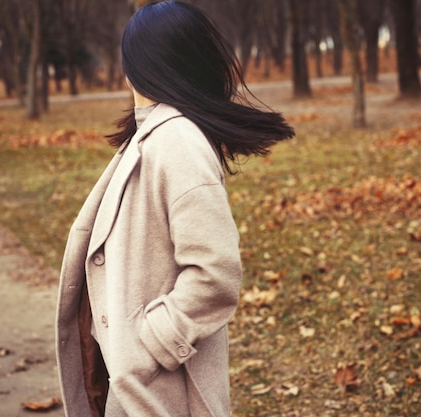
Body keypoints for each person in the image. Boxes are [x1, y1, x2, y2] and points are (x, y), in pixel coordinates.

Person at [55, 1, 294, 416]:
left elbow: (214, 274)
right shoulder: (155, 134)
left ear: (136, 65)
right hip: (142, 385)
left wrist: (144, 347)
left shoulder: (177, 140)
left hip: (160, 388)